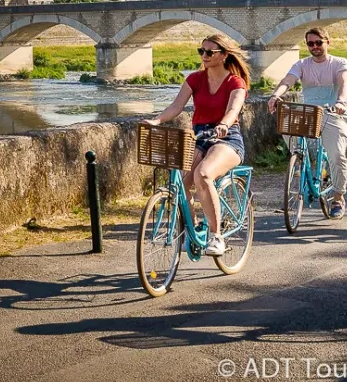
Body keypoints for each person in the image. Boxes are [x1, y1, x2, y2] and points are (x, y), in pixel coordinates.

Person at [143, 32, 250, 256]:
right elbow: (176, 106)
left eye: (209, 52)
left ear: (224, 55)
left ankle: (216, 236)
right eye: (201, 51)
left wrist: (223, 124)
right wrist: (157, 120)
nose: (204, 55)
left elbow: (233, 110)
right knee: (180, 182)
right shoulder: (194, 79)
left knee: (203, 174)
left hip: (227, 137)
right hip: (199, 136)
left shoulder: (235, 82)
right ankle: (190, 231)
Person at [268, 27, 347, 219]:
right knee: (287, 130)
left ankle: (338, 198)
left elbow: (344, 82)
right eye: (310, 44)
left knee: (337, 154)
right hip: (308, 113)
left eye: (318, 43)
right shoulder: (302, 64)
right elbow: (288, 80)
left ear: (327, 42)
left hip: (332, 112)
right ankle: (303, 164)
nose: (315, 47)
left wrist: (341, 101)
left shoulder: (339, 63)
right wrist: (275, 95)